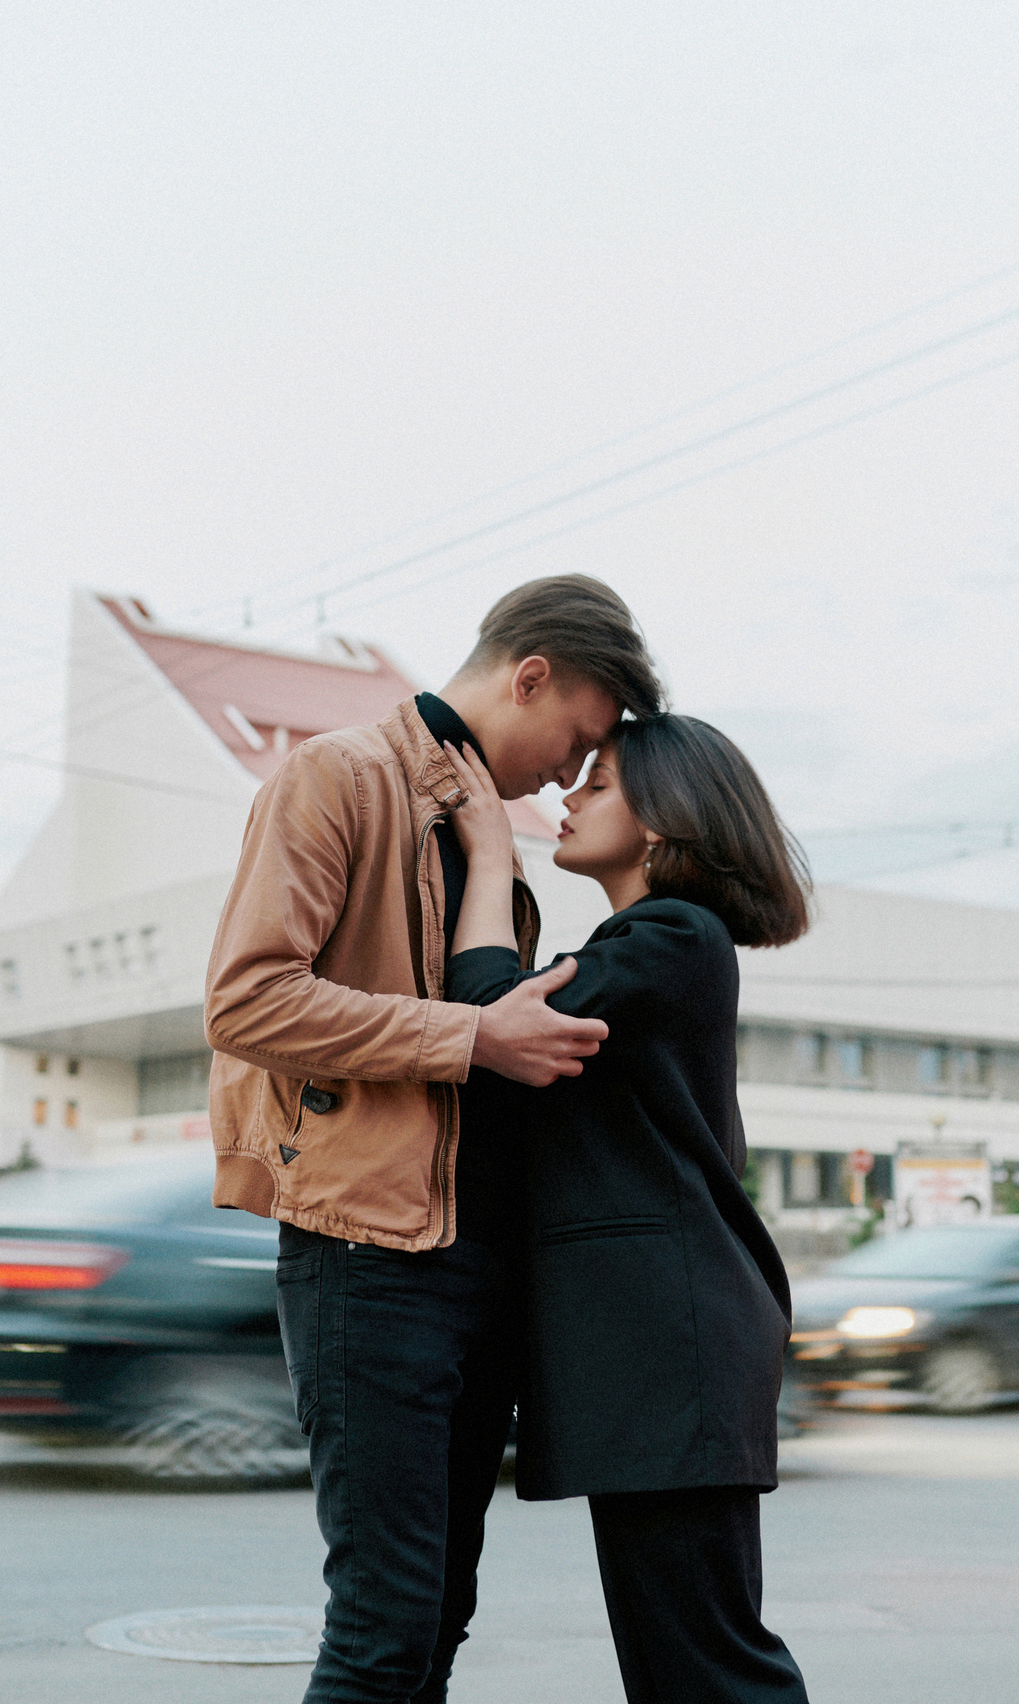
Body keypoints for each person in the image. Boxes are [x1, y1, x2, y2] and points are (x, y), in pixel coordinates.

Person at [203, 574, 665, 1704]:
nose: (568, 773)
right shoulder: (337, 777)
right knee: (382, 1623)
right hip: (368, 1255)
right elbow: (247, 1003)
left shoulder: (484, 841)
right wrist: (471, 1037)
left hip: (473, 1265)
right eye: (577, 740)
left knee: (437, 1617)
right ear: (530, 675)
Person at [438, 713, 814, 1704]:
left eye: (595, 784)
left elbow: (490, 1008)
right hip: (662, 1349)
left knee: (708, 1669)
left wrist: (486, 853)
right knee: (678, 1667)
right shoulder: (648, 948)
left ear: (662, 821)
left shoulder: (671, 937)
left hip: (671, 1350)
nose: (566, 797)